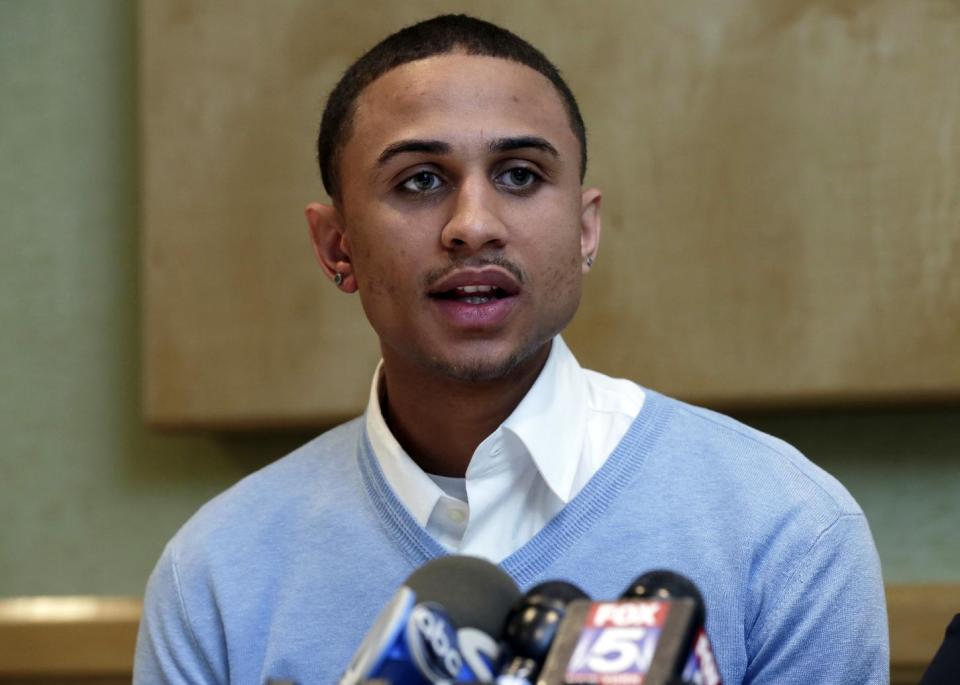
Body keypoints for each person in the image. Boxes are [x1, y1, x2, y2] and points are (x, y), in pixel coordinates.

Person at [134, 14, 889, 684]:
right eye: (421, 180)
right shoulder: (218, 576)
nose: (474, 225)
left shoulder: (782, 528)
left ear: (585, 229)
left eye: (521, 175)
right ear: (337, 246)